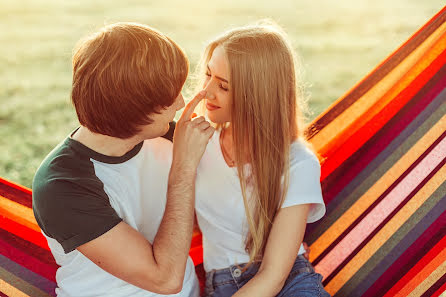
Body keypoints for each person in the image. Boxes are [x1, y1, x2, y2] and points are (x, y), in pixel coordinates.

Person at [32, 22, 214, 297]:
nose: (180, 103)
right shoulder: (62, 187)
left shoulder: (167, 136)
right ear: (134, 110)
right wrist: (184, 169)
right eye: (169, 98)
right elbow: (164, 280)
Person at [193, 21, 331, 296]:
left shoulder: (297, 163)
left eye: (223, 86)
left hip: (288, 283)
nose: (207, 91)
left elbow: (273, 276)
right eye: (208, 75)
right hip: (222, 285)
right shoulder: (198, 142)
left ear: (257, 96)